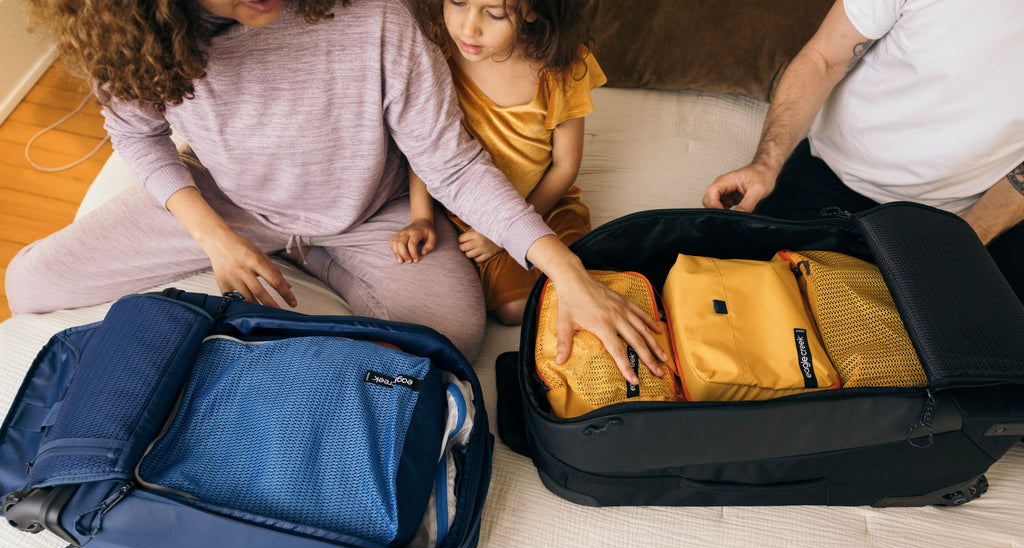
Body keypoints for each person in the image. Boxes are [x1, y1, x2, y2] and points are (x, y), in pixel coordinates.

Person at [8, 0, 666, 382]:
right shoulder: (141, 36)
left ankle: (314, 253)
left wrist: (563, 265)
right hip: (229, 205)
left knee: (453, 336)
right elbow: (137, 135)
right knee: (30, 283)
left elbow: (453, 163)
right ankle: (291, 248)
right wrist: (216, 239)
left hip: (368, 210)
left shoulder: (378, 14)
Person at [702, 0, 1024, 299]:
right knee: (748, 300)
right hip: (834, 180)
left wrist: (968, 238)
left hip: (963, 218)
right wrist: (766, 164)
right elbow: (824, 59)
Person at [388, 0, 604, 326]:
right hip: (473, 217)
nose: (468, 27)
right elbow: (426, 147)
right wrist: (421, 218)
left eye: (494, 14)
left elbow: (564, 167)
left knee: (592, 277)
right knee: (513, 309)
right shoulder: (439, 51)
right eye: (458, 2)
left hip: (545, 206)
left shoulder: (562, 67)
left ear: (532, 10)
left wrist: (506, 233)